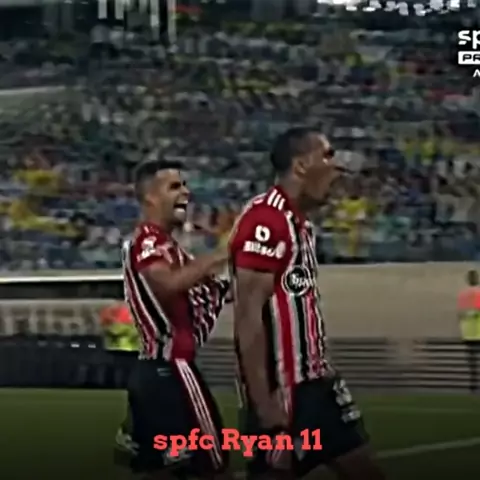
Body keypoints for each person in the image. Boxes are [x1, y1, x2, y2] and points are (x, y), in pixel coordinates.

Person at [229, 127, 385, 480]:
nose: (336, 169)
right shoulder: (266, 219)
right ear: (300, 165)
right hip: (286, 392)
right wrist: (263, 402)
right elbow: (249, 314)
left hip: (317, 385)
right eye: (327, 156)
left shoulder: (301, 225)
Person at [117, 159, 232, 480]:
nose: (186, 192)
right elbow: (167, 284)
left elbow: (206, 291)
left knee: (159, 470)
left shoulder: (169, 247)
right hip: (172, 371)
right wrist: (223, 253)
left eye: (184, 185)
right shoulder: (149, 241)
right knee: (210, 467)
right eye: (174, 186)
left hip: (153, 373)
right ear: (150, 197)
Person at [457, 269, 480, 392]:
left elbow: (460, 314)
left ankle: (473, 384)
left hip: (468, 332)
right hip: (478, 330)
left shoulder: (463, 295)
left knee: (472, 361)